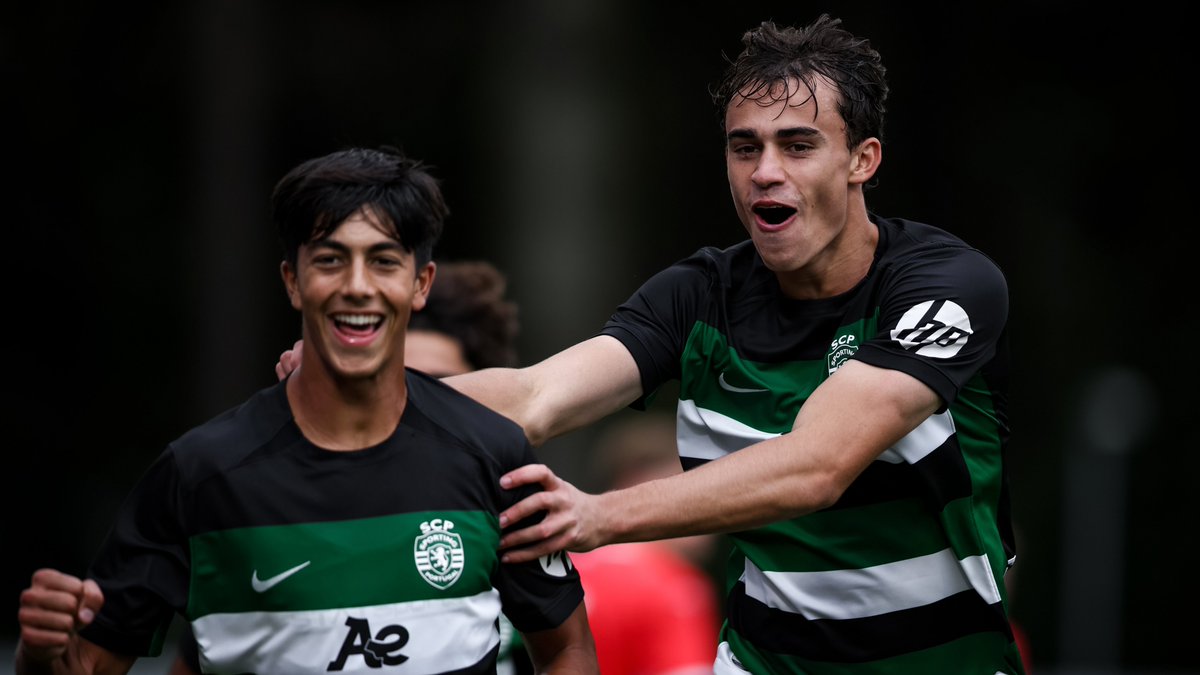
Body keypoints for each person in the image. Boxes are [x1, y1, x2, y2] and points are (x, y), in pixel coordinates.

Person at [278, 15, 1023, 673]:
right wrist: (355, 390)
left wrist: (599, 515)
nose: (766, 171)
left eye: (798, 145)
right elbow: (536, 395)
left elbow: (817, 465)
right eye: (745, 147)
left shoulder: (946, 284)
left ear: (862, 160)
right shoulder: (699, 294)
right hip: (763, 660)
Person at [15, 147, 598, 674]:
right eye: (330, 260)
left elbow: (567, 648)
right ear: (293, 281)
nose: (357, 286)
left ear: (420, 284)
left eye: (384, 261)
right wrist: (40, 656)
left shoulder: (492, 456)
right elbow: (86, 665)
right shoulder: (199, 475)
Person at [167, 260, 537, 675]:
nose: (417, 405)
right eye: (404, 382)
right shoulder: (272, 545)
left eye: (440, 385)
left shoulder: (532, 530)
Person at [570, 412, 722, 675]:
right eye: (693, 491)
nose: (713, 504)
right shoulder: (673, 585)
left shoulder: (560, 569)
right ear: (636, 484)